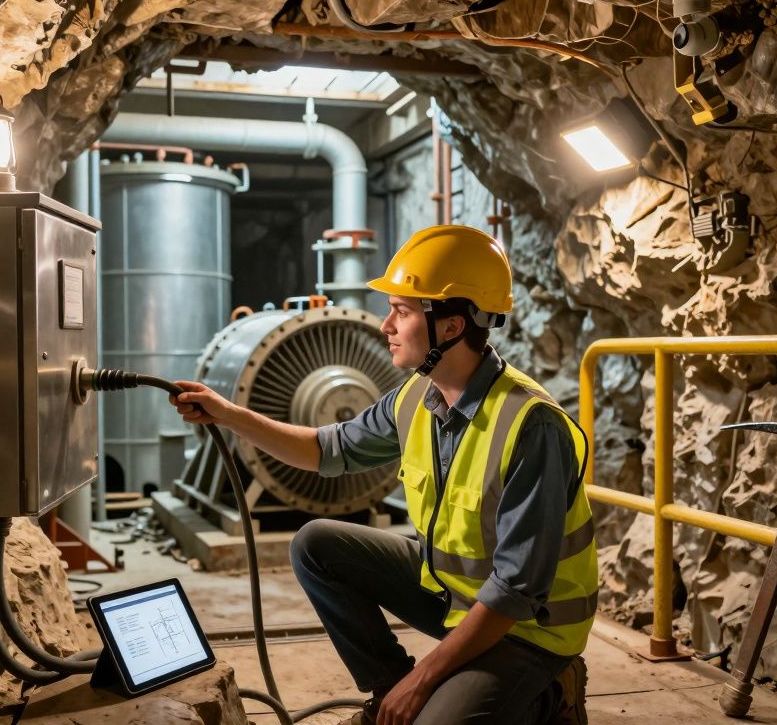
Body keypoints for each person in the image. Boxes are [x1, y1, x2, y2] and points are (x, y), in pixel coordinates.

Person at [169, 225, 596, 725]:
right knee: (315, 545)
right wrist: (228, 414)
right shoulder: (417, 395)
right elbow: (324, 450)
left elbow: (515, 593)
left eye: (404, 311)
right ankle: (386, 692)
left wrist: (424, 681)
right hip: (454, 598)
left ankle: (550, 694)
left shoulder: (531, 426)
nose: (386, 325)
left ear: (452, 326)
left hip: (528, 630)